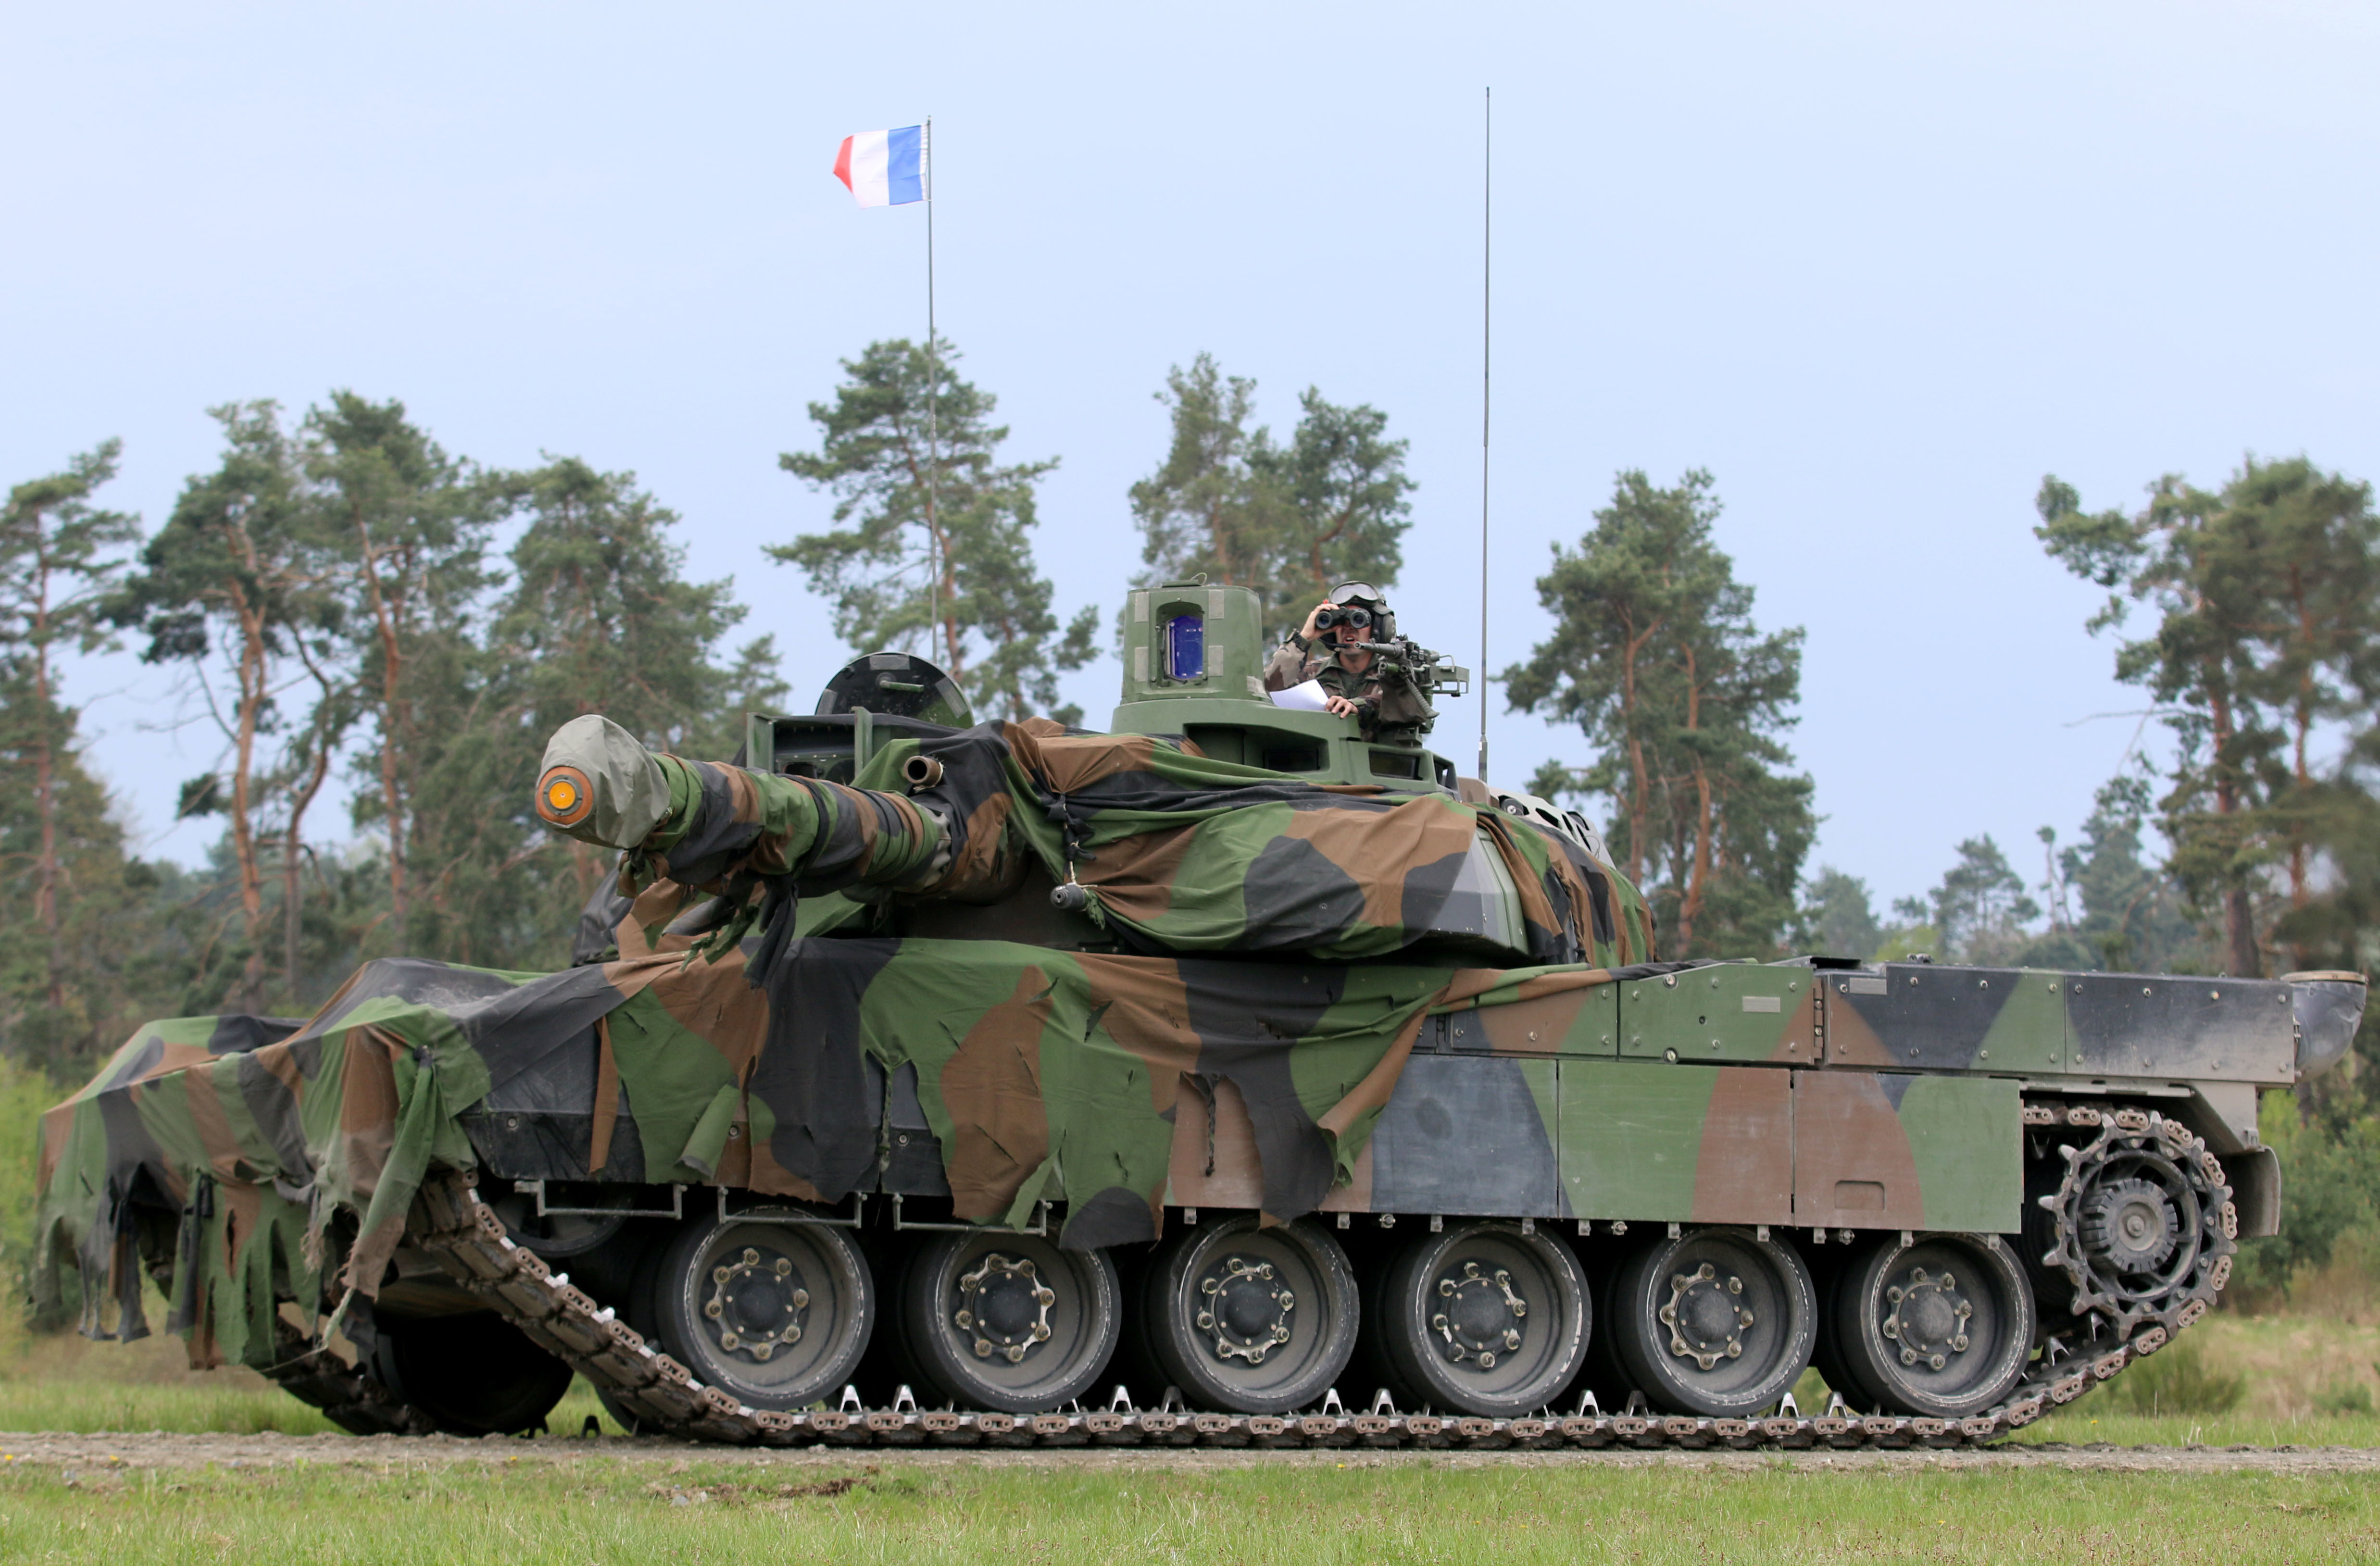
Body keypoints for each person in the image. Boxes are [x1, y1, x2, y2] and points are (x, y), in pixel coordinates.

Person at [1262, 582, 1435, 742]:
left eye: (1359, 620)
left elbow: (1403, 707)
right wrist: (1303, 639)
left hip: (1379, 769)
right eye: (1342, 621)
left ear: (1378, 627)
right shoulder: (1312, 674)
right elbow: (1268, 690)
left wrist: (1357, 707)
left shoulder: (1395, 675)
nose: (1349, 627)